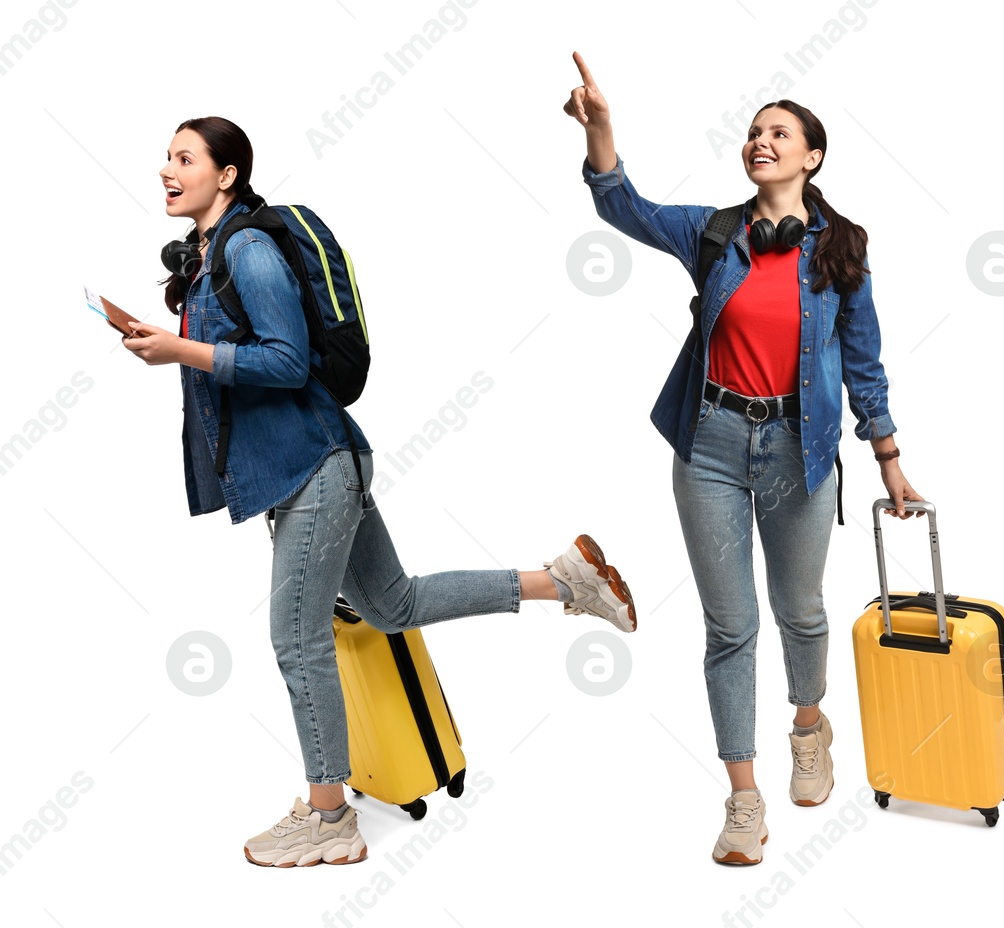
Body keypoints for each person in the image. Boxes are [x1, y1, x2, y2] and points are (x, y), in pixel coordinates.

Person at [123, 116, 637, 867]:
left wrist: (183, 350)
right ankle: (562, 580)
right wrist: (171, 341)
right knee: (390, 604)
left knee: (296, 643)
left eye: (185, 158)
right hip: (318, 467)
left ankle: (329, 817)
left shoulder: (248, 249)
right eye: (165, 157)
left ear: (227, 174)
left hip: (313, 470)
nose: (167, 169)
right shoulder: (208, 255)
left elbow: (288, 362)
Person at [561, 53, 920, 865]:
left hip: (802, 451)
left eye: (779, 133)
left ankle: (807, 724)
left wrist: (888, 455)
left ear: (811, 157)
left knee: (802, 612)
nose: (761, 142)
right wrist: (603, 134)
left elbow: (863, 361)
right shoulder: (716, 233)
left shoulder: (842, 250)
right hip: (713, 446)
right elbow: (627, 209)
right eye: (754, 132)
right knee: (731, 627)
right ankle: (743, 800)